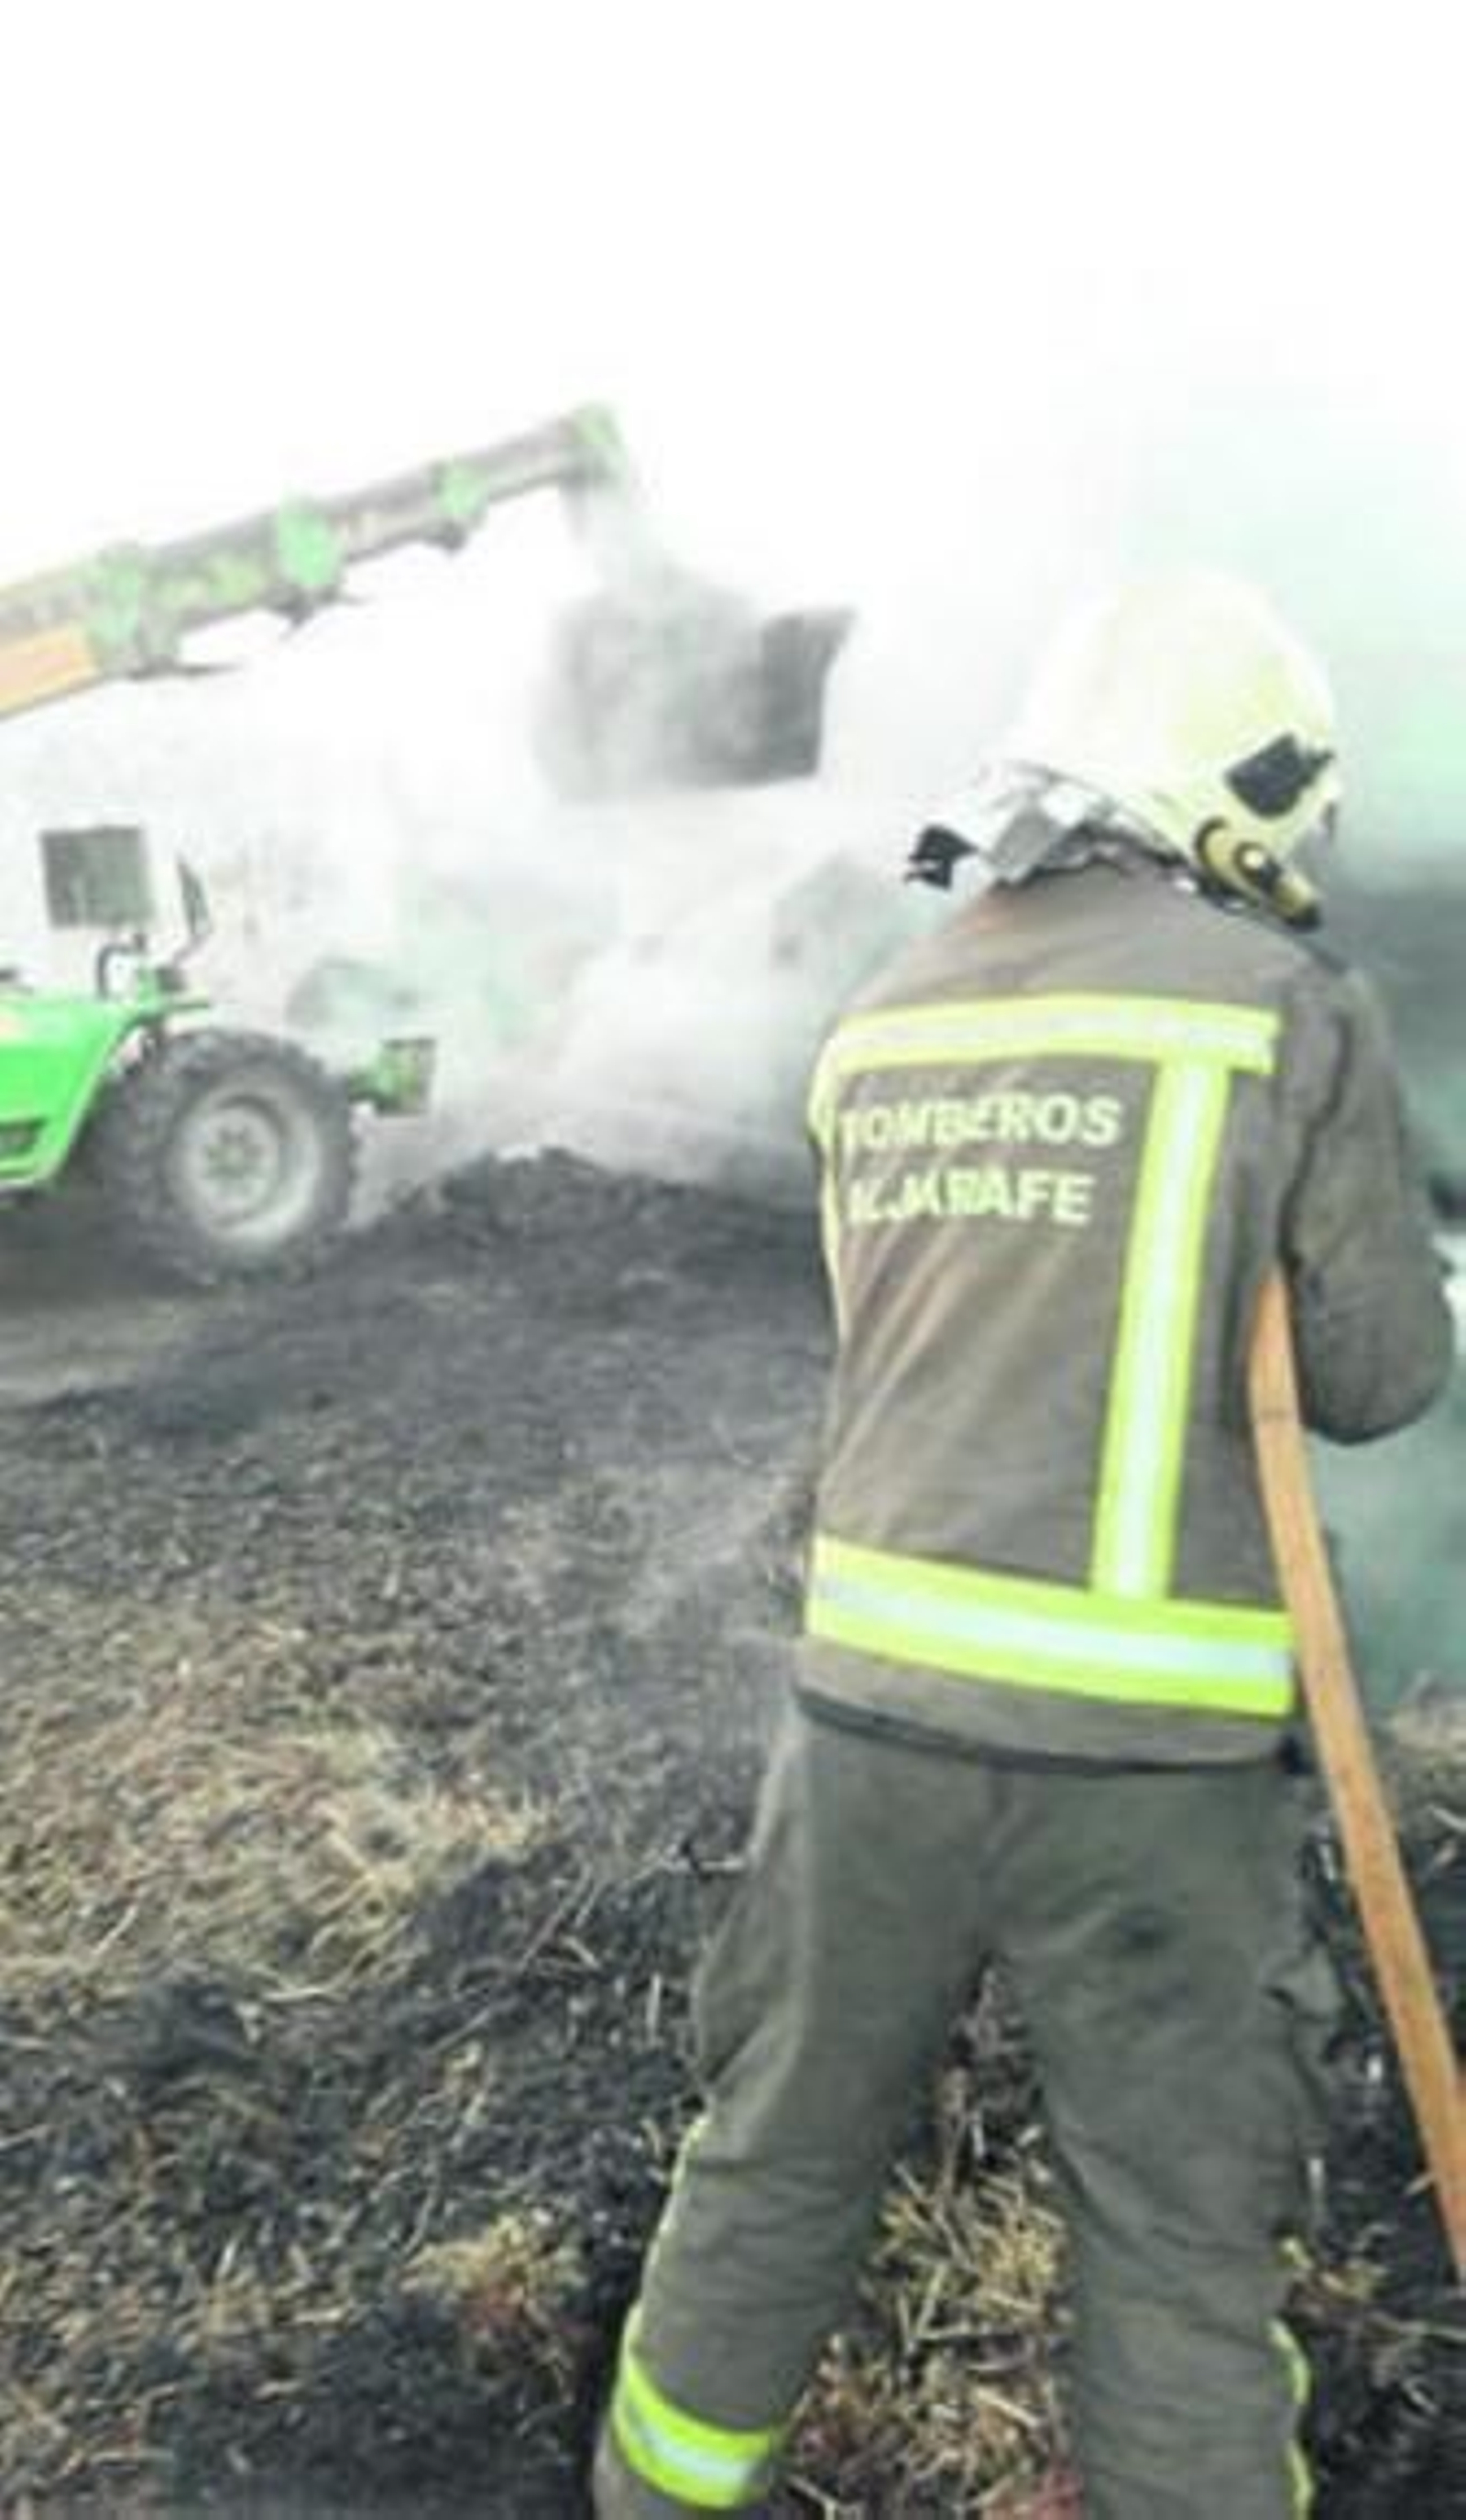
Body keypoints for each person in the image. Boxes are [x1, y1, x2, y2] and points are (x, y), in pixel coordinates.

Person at [592, 571, 1455, 2519]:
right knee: (1170, 2229)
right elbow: (1375, 1377)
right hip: (1143, 1769)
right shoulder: (1278, 1008)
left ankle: (650, 2495)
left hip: (861, 1728)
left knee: (776, 2151)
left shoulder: (876, 1019)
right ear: (1234, 795)